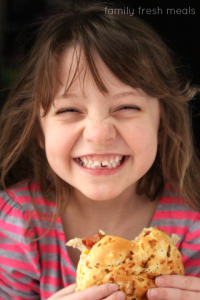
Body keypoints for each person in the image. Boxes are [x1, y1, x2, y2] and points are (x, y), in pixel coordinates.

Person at [0, 1, 200, 300]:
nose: (99, 134)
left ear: (162, 123)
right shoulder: (16, 225)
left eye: (126, 106)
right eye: (68, 109)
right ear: (38, 131)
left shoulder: (192, 224)